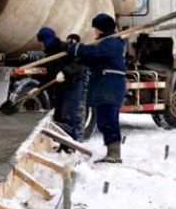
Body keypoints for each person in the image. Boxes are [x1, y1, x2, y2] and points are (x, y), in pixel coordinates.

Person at [67, 13, 126, 163]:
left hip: (109, 87)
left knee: (108, 120)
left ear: (101, 29)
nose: (94, 31)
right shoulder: (108, 43)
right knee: (105, 120)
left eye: (95, 28)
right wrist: (78, 56)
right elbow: (94, 59)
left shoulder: (111, 43)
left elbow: (95, 52)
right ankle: (112, 152)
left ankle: (114, 154)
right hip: (106, 86)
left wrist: (77, 48)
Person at [36, 27, 87, 143]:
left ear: (47, 40)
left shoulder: (66, 47)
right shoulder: (48, 53)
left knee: (68, 116)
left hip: (73, 85)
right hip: (60, 87)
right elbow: (48, 75)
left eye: (42, 42)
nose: (41, 45)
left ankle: (69, 146)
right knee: (58, 116)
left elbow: (80, 63)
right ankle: (60, 144)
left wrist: (65, 72)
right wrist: (38, 88)